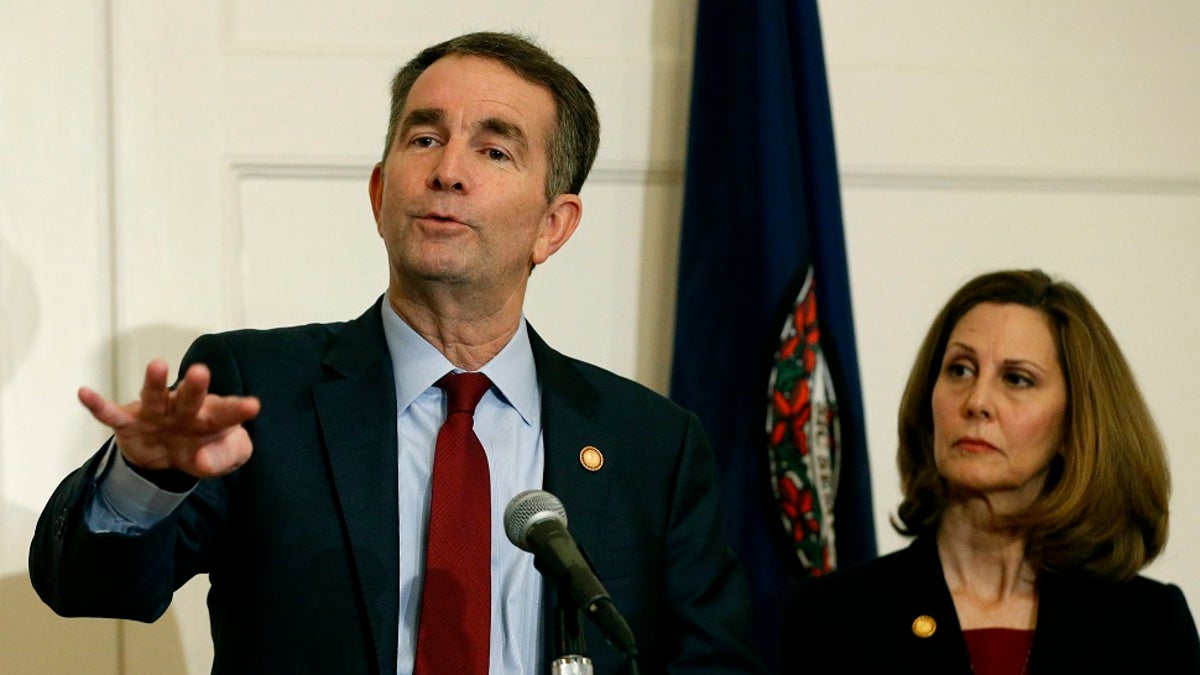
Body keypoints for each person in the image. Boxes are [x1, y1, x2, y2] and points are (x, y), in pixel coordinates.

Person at [29, 31, 765, 675]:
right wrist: (145, 477)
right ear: (381, 192)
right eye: (423, 138)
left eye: (494, 148)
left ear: (553, 225)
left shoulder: (652, 445)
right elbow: (91, 589)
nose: (448, 170)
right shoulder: (257, 390)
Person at [783, 269, 1200, 674]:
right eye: (960, 370)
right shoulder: (834, 618)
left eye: (1017, 379)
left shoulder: (1147, 626)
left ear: (1074, 429)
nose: (977, 401)